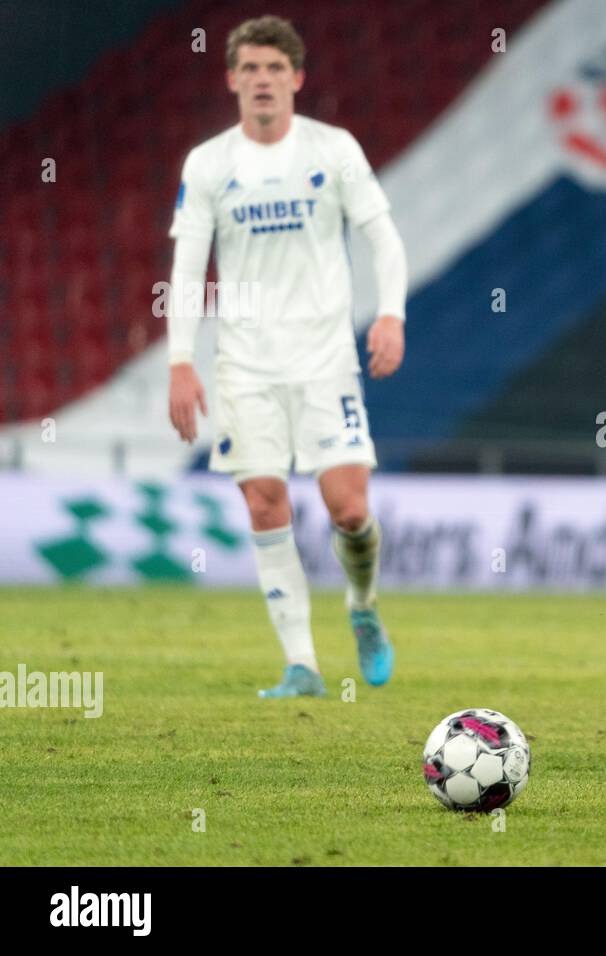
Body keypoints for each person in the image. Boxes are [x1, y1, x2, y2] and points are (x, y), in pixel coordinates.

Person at [166, 16, 407, 698]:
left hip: (325, 359)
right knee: (266, 502)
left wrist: (391, 313)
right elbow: (187, 269)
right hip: (243, 364)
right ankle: (301, 663)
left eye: (275, 68)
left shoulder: (333, 150)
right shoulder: (210, 163)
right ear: (232, 80)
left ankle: (362, 606)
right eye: (250, 69)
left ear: (296, 78)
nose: (262, 80)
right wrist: (180, 360)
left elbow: (383, 239)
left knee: (348, 508)